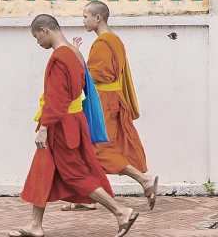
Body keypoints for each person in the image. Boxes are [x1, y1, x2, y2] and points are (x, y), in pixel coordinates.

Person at [11, 13, 138, 237]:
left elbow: (57, 98)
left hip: (61, 125)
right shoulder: (74, 53)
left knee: (76, 175)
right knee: (43, 170)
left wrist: (44, 128)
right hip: (72, 122)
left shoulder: (60, 58)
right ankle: (35, 225)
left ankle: (121, 212)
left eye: (36, 37)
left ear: (45, 31)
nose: (38, 42)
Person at [74, 1, 159, 209]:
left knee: (99, 149)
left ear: (98, 18)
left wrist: (76, 57)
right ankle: (87, 199)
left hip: (103, 101)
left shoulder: (103, 42)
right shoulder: (115, 40)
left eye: (86, 16)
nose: (83, 20)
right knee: (89, 147)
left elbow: (98, 75)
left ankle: (143, 180)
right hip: (110, 99)